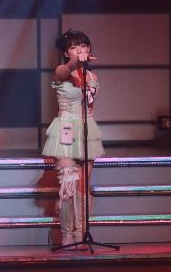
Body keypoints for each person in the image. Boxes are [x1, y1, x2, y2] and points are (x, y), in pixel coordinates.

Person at [42, 29, 104, 249]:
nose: (79, 50)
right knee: (68, 184)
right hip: (66, 129)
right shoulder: (62, 72)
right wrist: (75, 62)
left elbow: (90, 106)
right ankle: (67, 235)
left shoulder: (92, 77)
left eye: (83, 45)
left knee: (83, 188)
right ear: (66, 52)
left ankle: (81, 234)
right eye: (73, 47)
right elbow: (64, 70)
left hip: (86, 129)